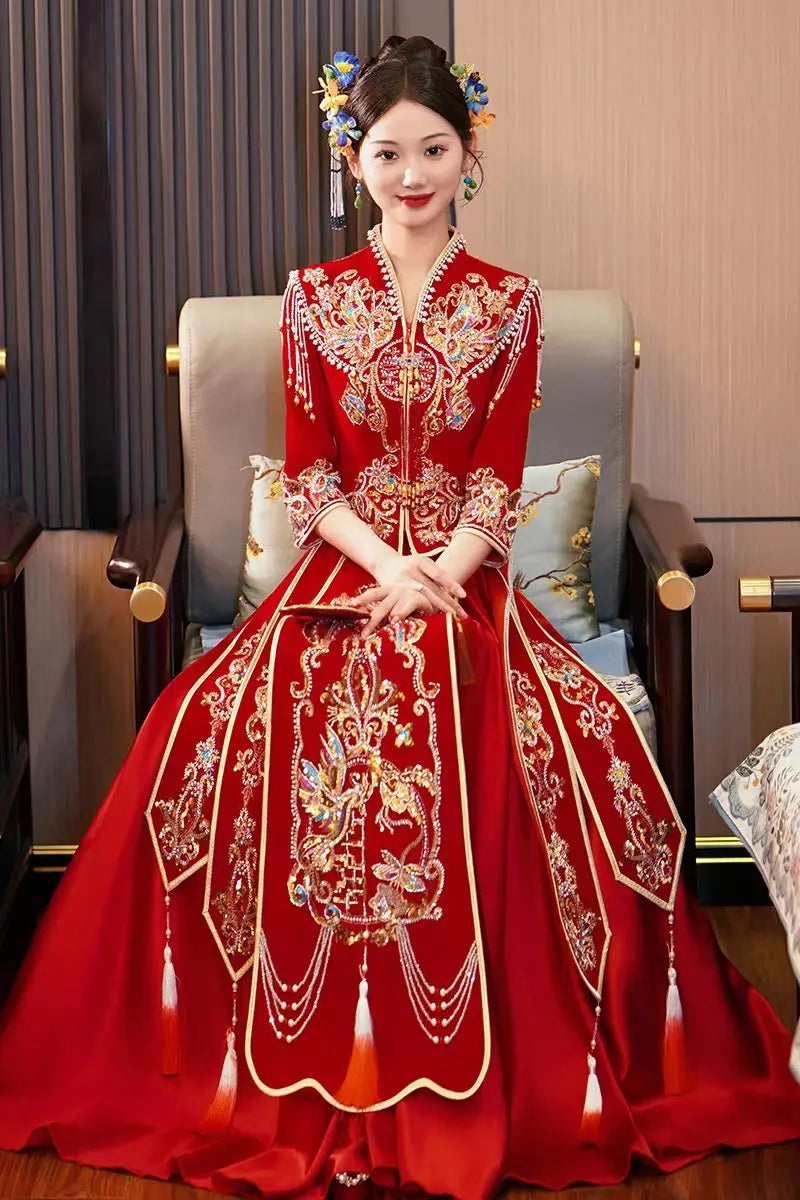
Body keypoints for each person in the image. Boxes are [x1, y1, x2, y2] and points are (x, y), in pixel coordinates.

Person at [0, 33, 798, 1200]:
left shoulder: (510, 304)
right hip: (341, 567)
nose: (411, 173)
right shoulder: (313, 301)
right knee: (207, 721)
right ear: (352, 157)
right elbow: (313, 476)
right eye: (387, 151)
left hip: (468, 573)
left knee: (479, 685)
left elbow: (494, 474)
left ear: (467, 156)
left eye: (433, 149)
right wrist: (388, 563)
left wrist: (439, 574)